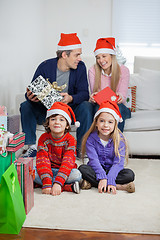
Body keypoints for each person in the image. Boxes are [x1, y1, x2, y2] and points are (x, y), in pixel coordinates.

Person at [20, 33, 90, 158]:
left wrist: (71, 98)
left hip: (69, 111)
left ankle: (80, 149)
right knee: (25, 106)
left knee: (86, 107)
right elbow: (33, 89)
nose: (80, 58)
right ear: (64, 55)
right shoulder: (45, 66)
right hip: (48, 111)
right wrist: (29, 96)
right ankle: (31, 147)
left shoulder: (80, 67)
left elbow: (85, 94)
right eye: (77, 55)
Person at [78, 100, 135, 194]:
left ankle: (94, 183)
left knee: (129, 175)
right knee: (82, 169)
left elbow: (118, 163)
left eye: (110, 122)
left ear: (115, 124)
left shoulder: (120, 140)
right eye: (102, 121)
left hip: (113, 170)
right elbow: (93, 160)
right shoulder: (91, 139)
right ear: (96, 122)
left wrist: (110, 177)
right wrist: (102, 177)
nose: (105, 125)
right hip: (96, 169)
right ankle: (118, 186)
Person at [34, 102, 82, 195]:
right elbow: (42, 160)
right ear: (48, 123)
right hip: (48, 169)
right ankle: (68, 187)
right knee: (31, 173)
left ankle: (51, 185)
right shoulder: (43, 138)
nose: (57, 122)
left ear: (67, 125)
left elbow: (68, 162)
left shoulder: (70, 140)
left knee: (77, 175)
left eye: (61, 120)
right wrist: (47, 181)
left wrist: (58, 182)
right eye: (53, 119)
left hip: (65, 170)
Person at [87, 37, 131, 132]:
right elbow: (96, 93)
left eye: (104, 56)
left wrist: (120, 97)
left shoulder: (124, 70)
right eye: (98, 57)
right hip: (101, 106)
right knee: (99, 110)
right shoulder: (93, 71)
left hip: (118, 106)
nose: (101, 60)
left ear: (112, 56)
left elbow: (122, 97)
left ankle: (116, 143)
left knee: (119, 109)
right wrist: (93, 97)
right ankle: (99, 143)